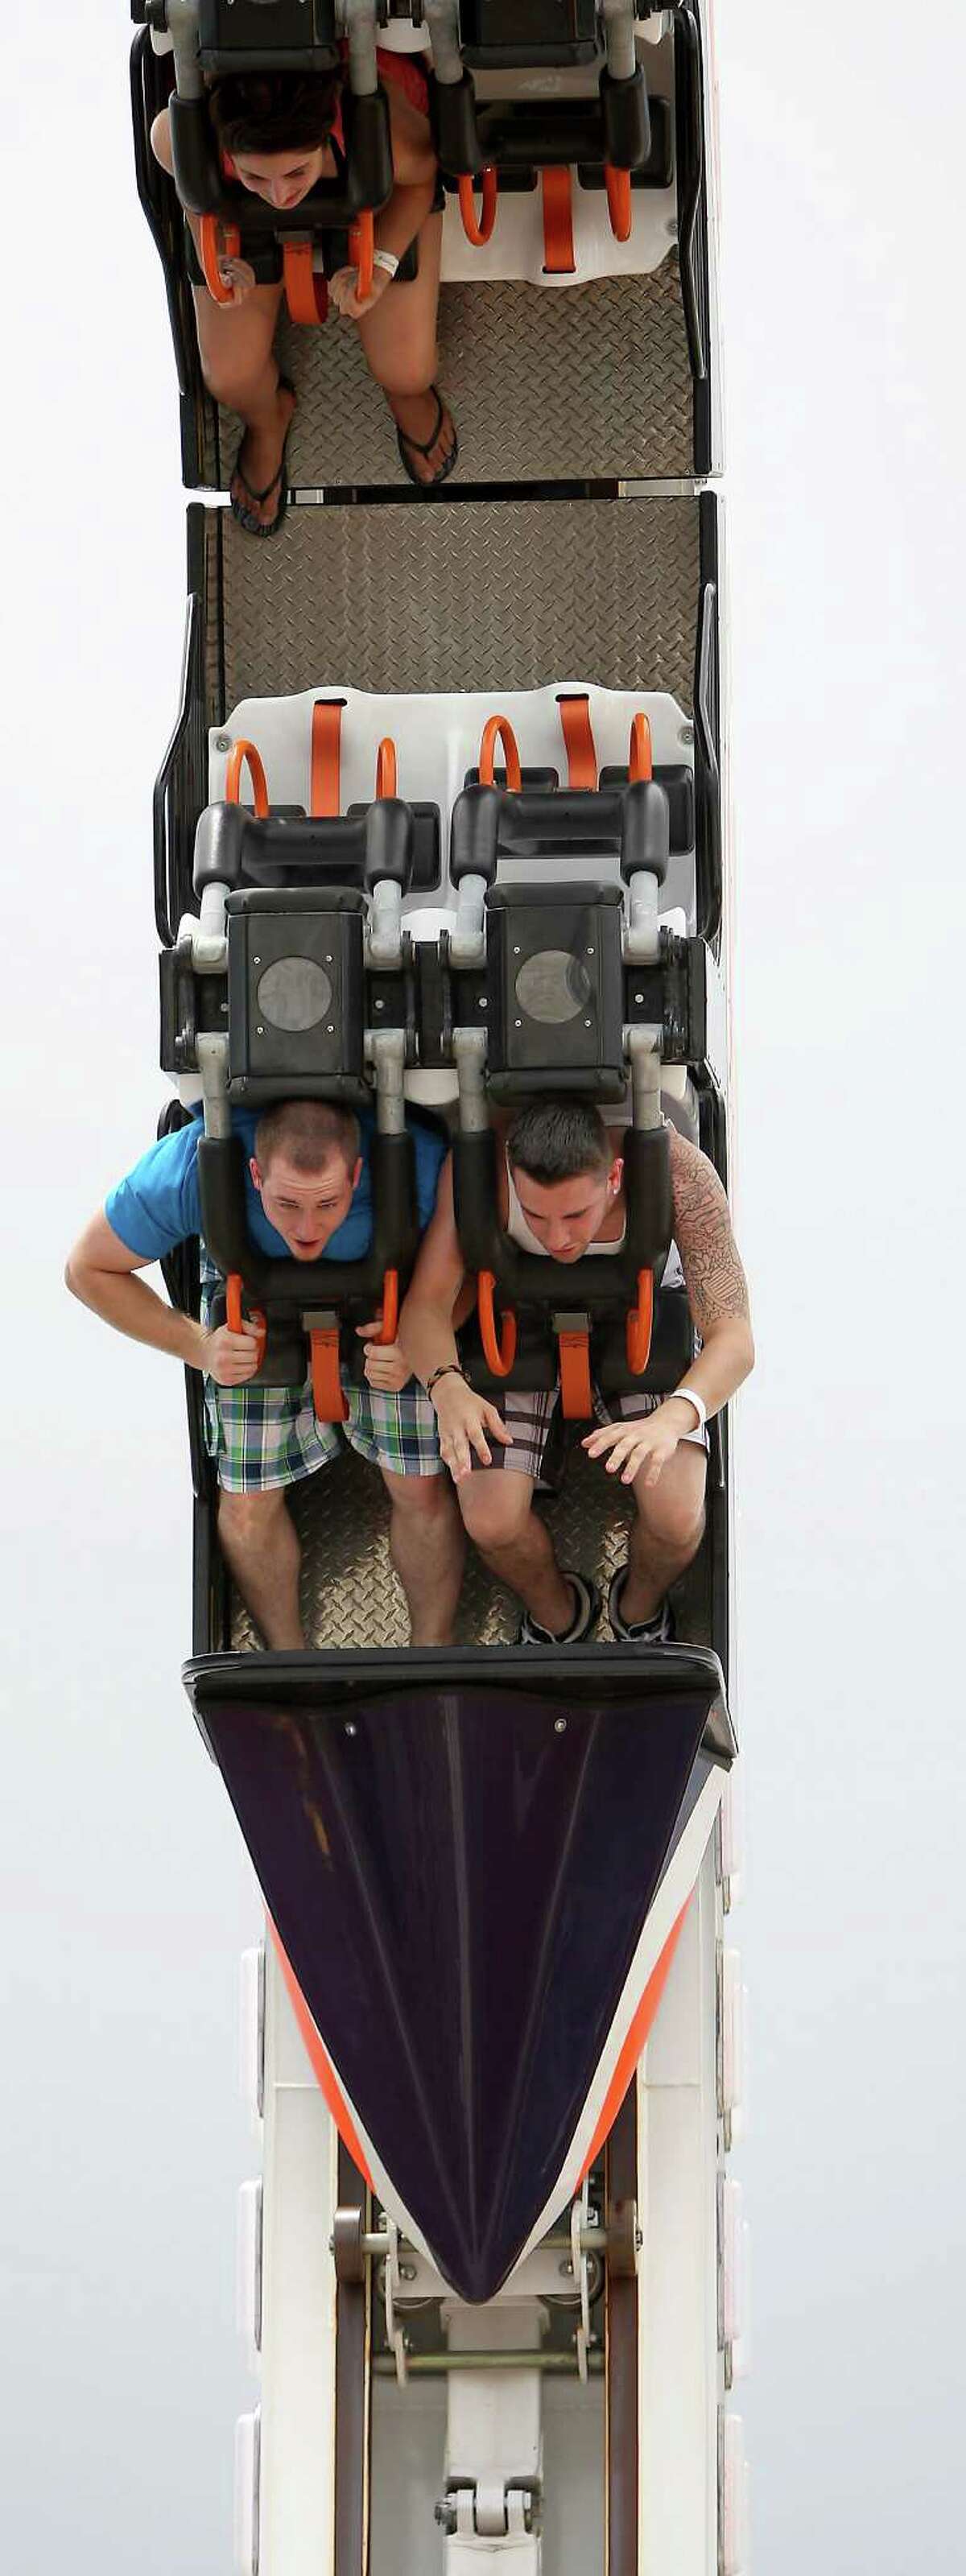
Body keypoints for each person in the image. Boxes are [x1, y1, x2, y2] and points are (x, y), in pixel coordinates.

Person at [65, 1099, 464, 1649]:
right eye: (285, 1203)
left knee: (419, 1484)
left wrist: (421, 1342)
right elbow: (87, 1269)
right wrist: (200, 1346)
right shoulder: (189, 1167)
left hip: (390, 1299)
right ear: (254, 1174)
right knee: (248, 1501)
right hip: (250, 1299)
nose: (306, 1227)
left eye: (328, 1203)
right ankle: (287, 1655)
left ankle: (431, 1650)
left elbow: (469, 1275)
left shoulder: (420, 1166)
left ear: (358, 1174)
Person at [398, 1098, 753, 1645]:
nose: (557, 1238)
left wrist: (671, 1421)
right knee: (491, 1522)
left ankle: (636, 1612)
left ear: (614, 1177)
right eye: (536, 1216)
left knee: (678, 1518)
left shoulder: (679, 1172)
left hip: (638, 1320)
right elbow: (424, 1308)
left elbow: (735, 1339)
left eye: (574, 1216)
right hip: (520, 1320)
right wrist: (447, 1387)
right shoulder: (482, 1168)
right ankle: (561, 1615)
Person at [151, 56, 457, 530]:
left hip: (375, 184)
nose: (278, 196)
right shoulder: (178, 141)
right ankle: (267, 418)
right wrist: (218, 260)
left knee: (408, 369)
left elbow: (421, 177)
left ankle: (405, 397)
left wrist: (379, 268)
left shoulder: (383, 132)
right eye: (257, 177)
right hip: (240, 215)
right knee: (229, 378)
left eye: (295, 174)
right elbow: (193, 197)